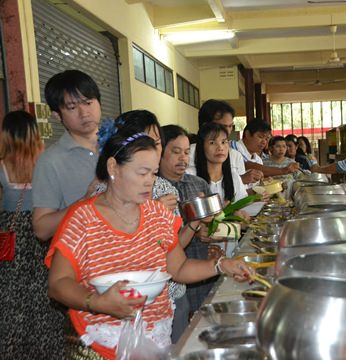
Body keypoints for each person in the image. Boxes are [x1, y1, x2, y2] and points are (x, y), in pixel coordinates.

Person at [46, 130, 253, 359]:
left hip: (154, 339)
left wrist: (221, 265)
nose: (150, 182)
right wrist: (97, 302)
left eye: (153, 173)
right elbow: (58, 283)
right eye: (142, 173)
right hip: (98, 344)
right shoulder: (82, 218)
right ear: (113, 167)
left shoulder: (158, 214)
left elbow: (179, 269)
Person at [94, 110, 191, 343]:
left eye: (157, 143)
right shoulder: (95, 204)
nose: (153, 150)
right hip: (116, 311)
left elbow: (175, 254)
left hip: (168, 298)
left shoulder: (165, 189)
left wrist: (195, 228)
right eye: (144, 142)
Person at [0, 111, 64, 358]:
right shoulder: (46, 162)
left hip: (11, 237)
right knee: (44, 292)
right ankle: (47, 349)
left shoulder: (3, 166)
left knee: (11, 296)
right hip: (43, 230)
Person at [158, 124, 216, 339]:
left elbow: (215, 222)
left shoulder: (198, 184)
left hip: (200, 271)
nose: (183, 158)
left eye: (186, 152)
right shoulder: (154, 191)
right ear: (159, 152)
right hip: (172, 281)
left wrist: (208, 231)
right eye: (175, 152)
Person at [32, 70, 102, 241]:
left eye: (88, 102)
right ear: (57, 115)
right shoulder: (50, 160)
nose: (84, 113)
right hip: (83, 260)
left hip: (131, 253)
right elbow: (41, 229)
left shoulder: (122, 145)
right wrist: (86, 200)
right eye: (72, 107)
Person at [188, 122, 249, 257]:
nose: (220, 147)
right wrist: (198, 230)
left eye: (224, 142)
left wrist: (242, 219)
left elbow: (242, 212)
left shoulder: (233, 177)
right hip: (199, 256)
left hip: (230, 252)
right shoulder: (190, 176)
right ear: (201, 147)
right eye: (212, 143)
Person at [189, 99, 263, 185]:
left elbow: (242, 195)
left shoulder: (235, 156)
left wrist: (257, 193)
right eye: (222, 126)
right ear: (205, 126)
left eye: (230, 126)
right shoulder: (189, 154)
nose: (227, 131)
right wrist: (239, 180)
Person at [231, 119, 300, 177]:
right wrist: (283, 170)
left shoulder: (258, 160)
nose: (264, 142)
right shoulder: (233, 147)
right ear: (248, 134)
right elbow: (247, 165)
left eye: (267, 139)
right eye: (260, 137)